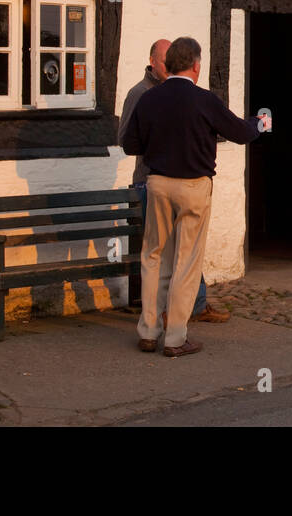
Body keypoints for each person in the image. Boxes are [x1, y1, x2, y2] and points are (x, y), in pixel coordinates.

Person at [121, 36, 266, 357]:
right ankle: (175, 338)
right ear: (196, 66)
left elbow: (130, 145)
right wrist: (258, 123)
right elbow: (241, 133)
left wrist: (158, 142)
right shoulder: (205, 100)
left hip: (157, 183)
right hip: (193, 186)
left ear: (167, 64)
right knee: (186, 262)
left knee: (153, 256)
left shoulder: (148, 99)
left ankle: (148, 331)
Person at [118, 38, 229, 323]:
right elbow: (126, 140)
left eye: (173, 60)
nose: (170, 65)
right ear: (153, 61)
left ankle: (194, 305)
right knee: (165, 254)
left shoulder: (179, 95)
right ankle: (165, 316)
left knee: (185, 249)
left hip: (172, 180)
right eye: (165, 60)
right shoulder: (140, 93)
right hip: (149, 181)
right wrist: (163, 145)